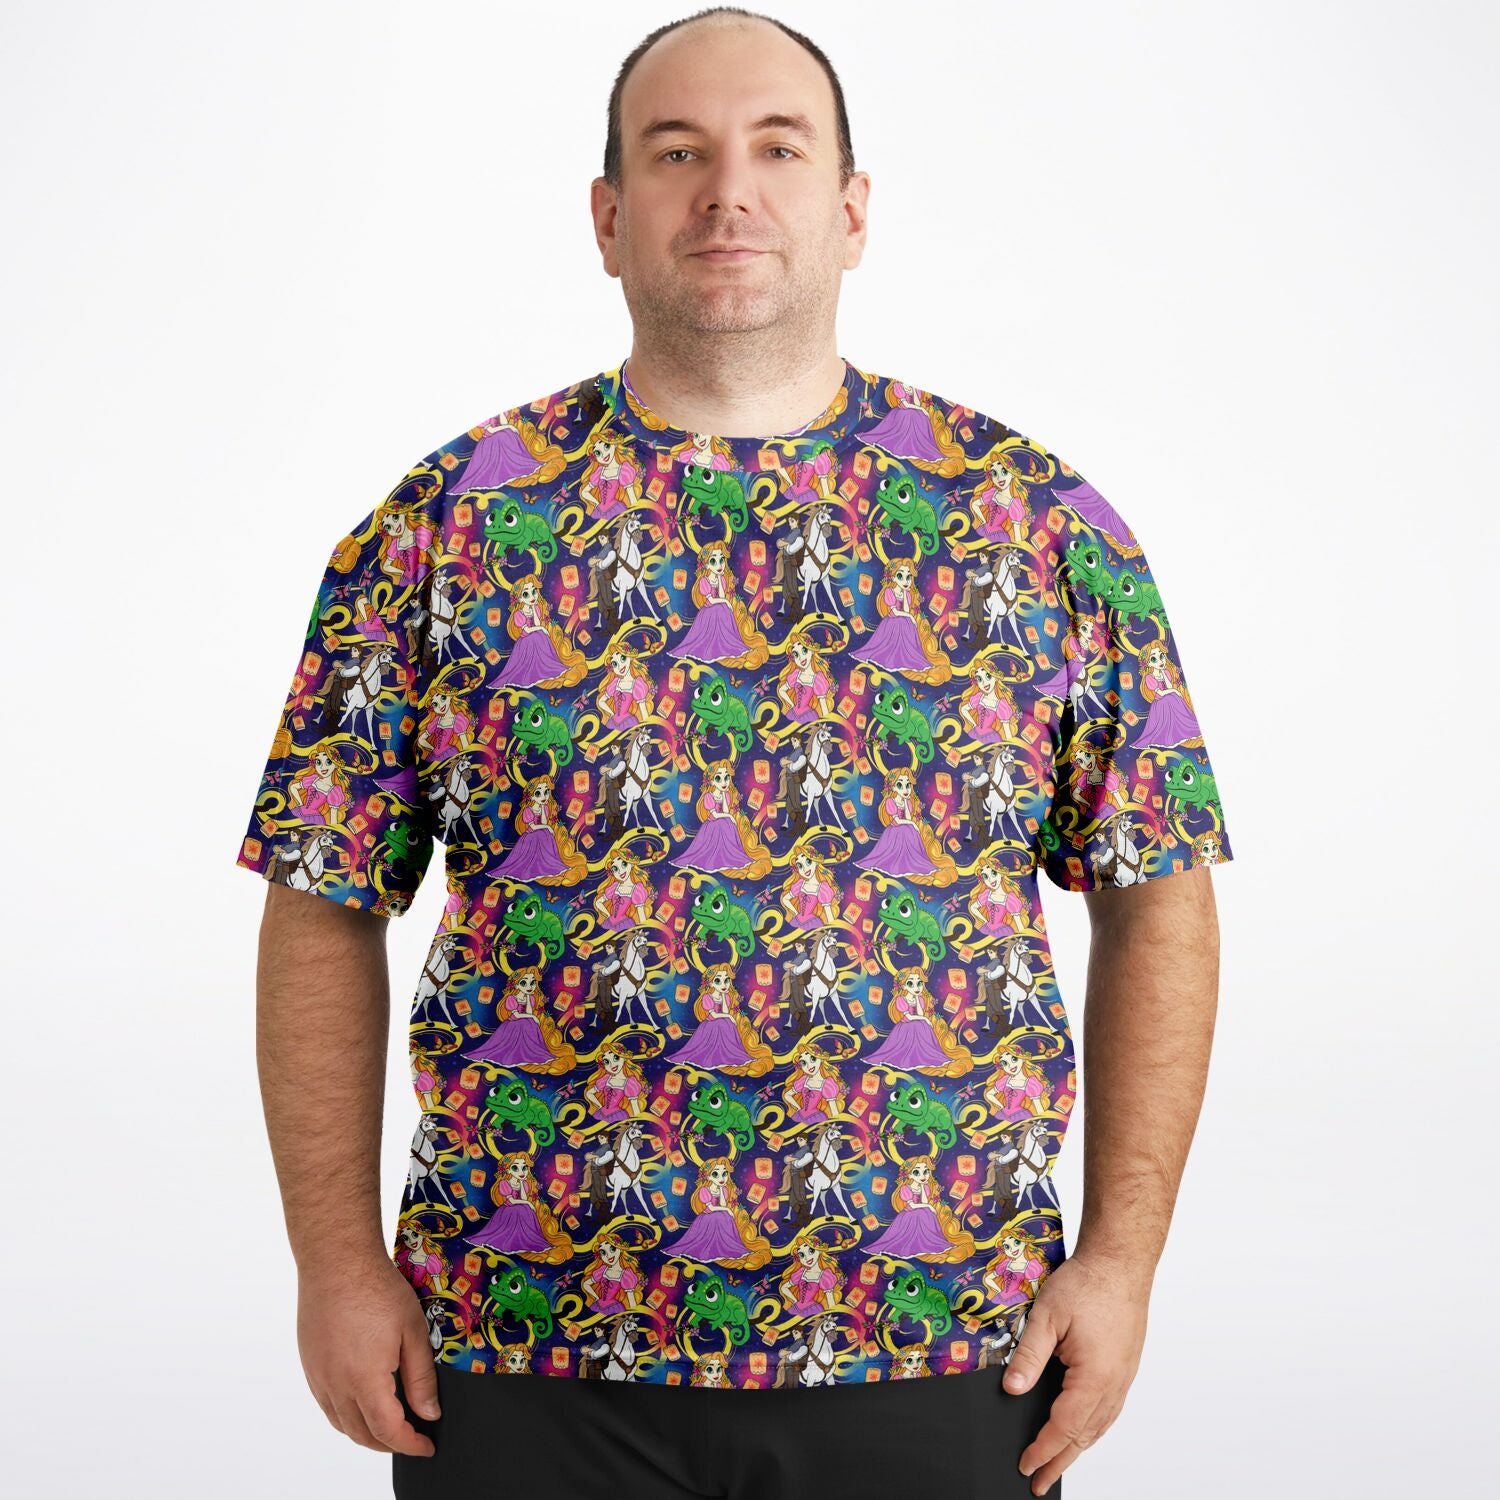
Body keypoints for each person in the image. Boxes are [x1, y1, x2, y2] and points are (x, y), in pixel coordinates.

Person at [233, 9, 1232, 1500]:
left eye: (778, 148)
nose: (727, 194)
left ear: (853, 207)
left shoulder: (1036, 526)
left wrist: (1123, 1258)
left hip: (945, 1341)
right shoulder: (445, 527)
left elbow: (1161, 900)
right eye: (676, 153)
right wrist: (332, 1263)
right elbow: (322, 901)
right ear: (607, 215)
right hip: (517, 1347)